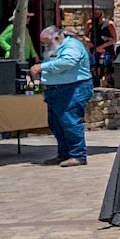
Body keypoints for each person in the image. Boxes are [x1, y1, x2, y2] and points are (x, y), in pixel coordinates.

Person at [31, 25, 93, 167]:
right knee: (56, 123)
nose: (45, 46)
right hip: (56, 90)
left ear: (57, 37)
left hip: (73, 88)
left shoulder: (72, 46)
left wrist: (42, 67)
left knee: (70, 121)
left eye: (47, 42)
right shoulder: (56, 48)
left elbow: (68, 62)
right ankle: (64, 154)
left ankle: (78, 155)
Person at [86, 8, 116, 88]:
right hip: (94, 49)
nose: (95, 13)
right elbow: (85, 35)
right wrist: (89, 42)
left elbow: (114, 39)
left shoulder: (109, 24)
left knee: (105, 66)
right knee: (93, 67)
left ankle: (105, 83)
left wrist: (101, 47)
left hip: (106, 49)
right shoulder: (90, 23)